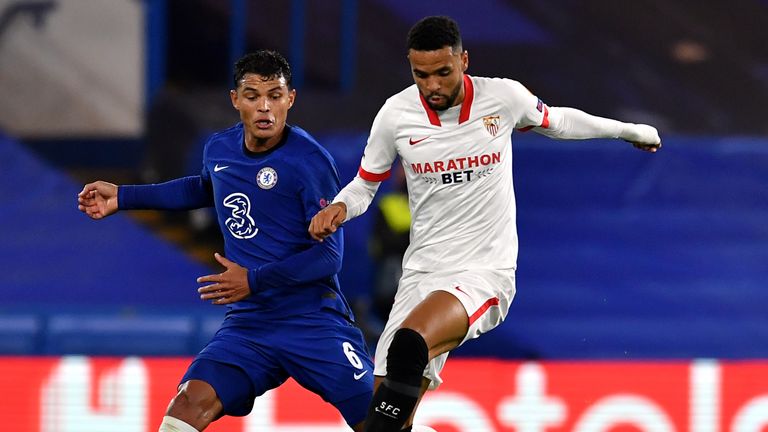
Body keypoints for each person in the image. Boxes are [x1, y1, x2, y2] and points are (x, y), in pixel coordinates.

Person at [309, 16, 662, 432]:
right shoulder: (396, 115)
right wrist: (341, 207)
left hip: (483, 272)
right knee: (385, 420)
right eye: (421, 75)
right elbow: (365, 186)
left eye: (443, 72)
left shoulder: (502, 98)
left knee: (410, 343)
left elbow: (559, 122)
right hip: (421, 272)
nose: (433, 85)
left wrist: (627, 131)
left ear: (464, 61)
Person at [78, 50, 374, 432]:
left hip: (311, 320)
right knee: (184, 410)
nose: (264, 107)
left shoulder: (309, 162)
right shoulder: (220, 148)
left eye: (275, 95)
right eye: (252, 96)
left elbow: (329, 258)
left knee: (381, 422)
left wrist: (253, 280)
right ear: (235, 100)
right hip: (249, 325)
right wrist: (124, 196)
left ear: (291, 99)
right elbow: (202, 188)